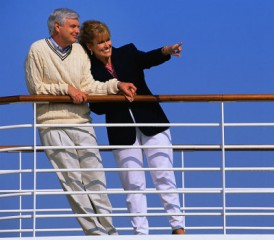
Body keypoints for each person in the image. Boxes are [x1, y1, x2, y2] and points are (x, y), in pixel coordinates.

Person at [24, 9, 136, 236]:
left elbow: (90, 85)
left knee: (96, 178)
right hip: (52, 122)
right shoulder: (37, 49)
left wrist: (116, 85)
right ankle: (94, 233)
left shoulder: (79, 51)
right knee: (72, 181)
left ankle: (109, 231)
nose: (78, 31)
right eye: (73, 26)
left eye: (77, 26)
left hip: (82, 121)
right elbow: (36, 88)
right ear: (58, 27)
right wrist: (66, 89)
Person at [78, 20, 185, 235]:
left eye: (107, 39)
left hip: (152, 122)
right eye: (100, 43)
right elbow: (96, 107)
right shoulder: (88, 70)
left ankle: (178, 226)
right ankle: (141, 233)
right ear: (89, 46)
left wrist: (167, 50)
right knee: (133, 185)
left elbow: (147, 59)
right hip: (121, 131)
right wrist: (115, 92)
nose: (106, 45)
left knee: (164, 175)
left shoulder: (127, 52)